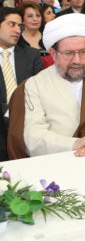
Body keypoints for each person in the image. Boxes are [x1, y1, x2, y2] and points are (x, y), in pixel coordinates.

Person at [7, 13, 85, 158]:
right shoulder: (34, 86)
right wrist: (75, 144)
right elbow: (33, 136)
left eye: (82, 52)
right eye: (68, 53)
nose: (77, 60)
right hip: (57, 161)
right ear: (53, 54)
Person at [0, 8, 43, 159]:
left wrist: (17, 114)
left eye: (20, 26)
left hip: (27, 121)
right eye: (12, 24)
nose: (17, 30)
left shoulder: (31, 55)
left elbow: (39, 91)